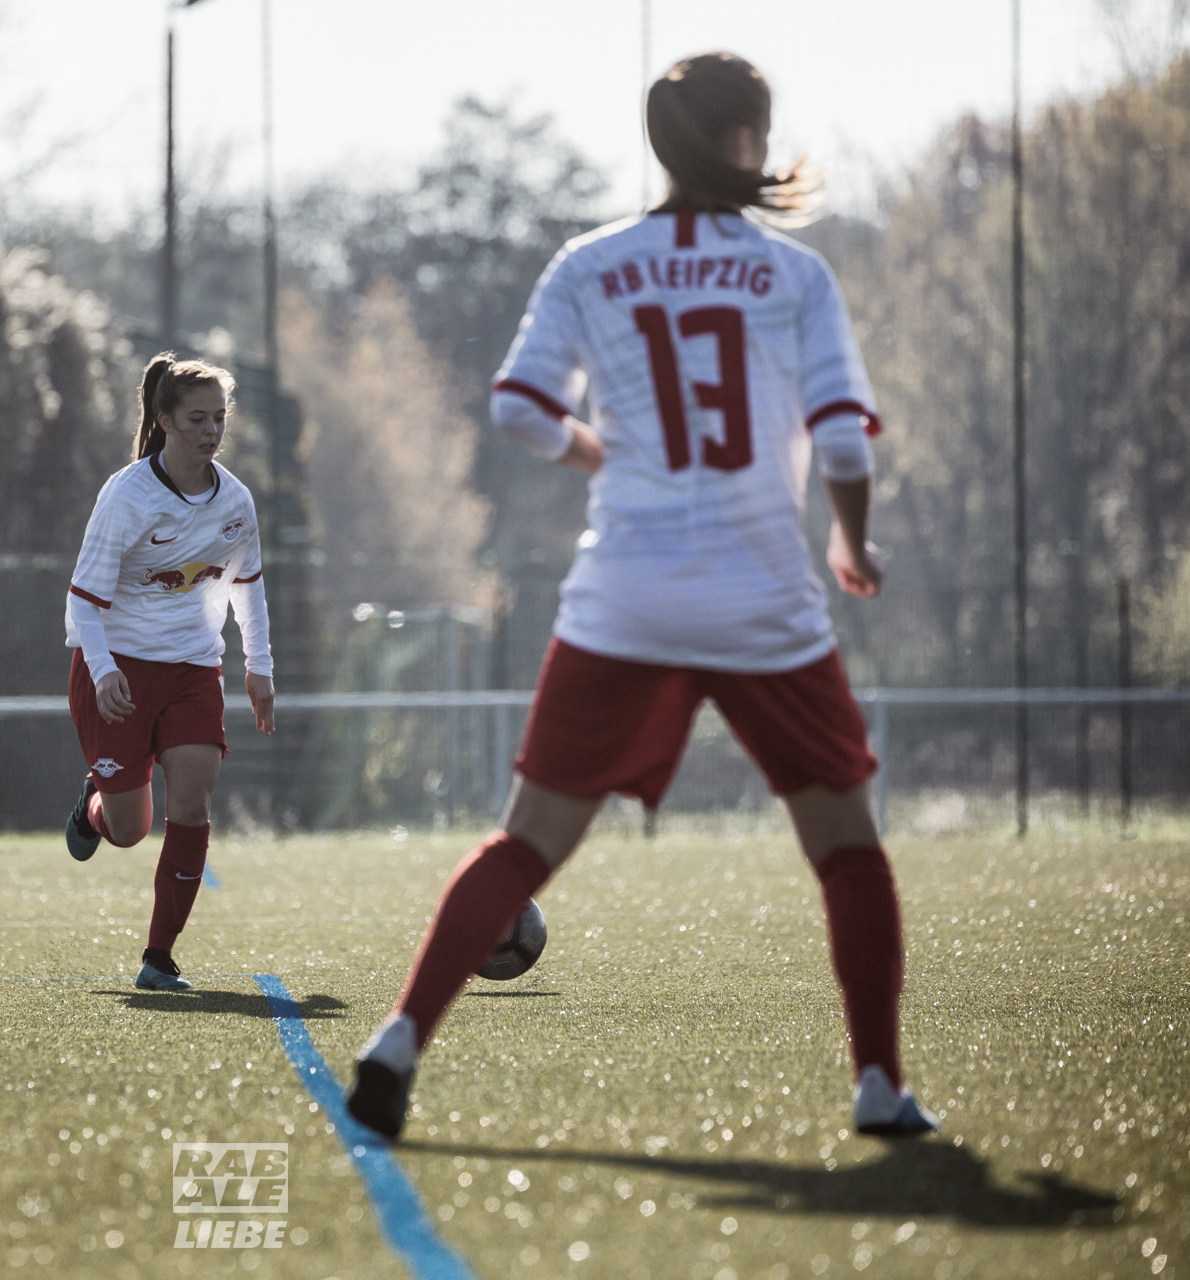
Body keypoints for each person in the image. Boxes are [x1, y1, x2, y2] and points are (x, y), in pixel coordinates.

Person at [344, 52, 937, 1141]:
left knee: (524, 844)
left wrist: (600, 454)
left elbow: (521, 407)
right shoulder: (794, 275)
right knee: (848, 846)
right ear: (747, 142)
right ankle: (879, 1085)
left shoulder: (591, 263)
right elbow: (844, 435)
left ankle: (397, 1041)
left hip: (624, 595)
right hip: (762, 597)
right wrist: (851, 543)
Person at [62, 353, 276, 993]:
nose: (210, 432)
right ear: (164, 419)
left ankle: (159, 958)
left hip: (191, 669)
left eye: (219, 418)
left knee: (192, 803)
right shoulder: (128, 496)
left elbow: (249, 590)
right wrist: (101, 672)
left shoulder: (234, 500)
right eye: (196, 419)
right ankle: (93, 806)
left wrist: (258, 667)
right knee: (129, 830)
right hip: (117, 672)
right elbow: (82, 600)